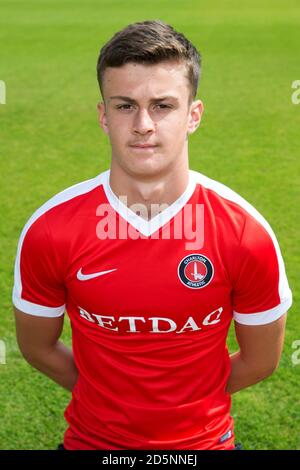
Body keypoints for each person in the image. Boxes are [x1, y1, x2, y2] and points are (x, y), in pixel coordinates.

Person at [12, 19, 292, 451]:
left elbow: (260, 360)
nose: (143, 123)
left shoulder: (244, 233)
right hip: (92, 444)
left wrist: (186, 408)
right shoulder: (51, 229)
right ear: (104, 116)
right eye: (125, 106)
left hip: (205, 446)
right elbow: (38, 348)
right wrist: (107, 401)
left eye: (162, 105)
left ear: (193, 115)